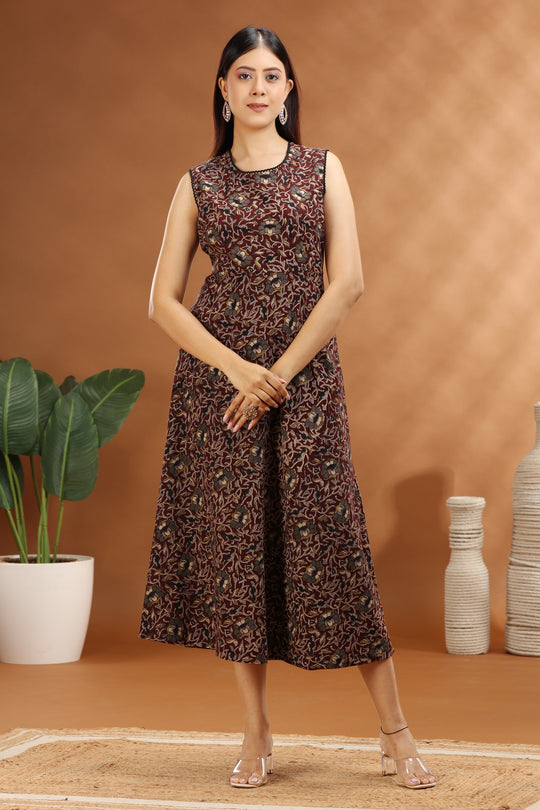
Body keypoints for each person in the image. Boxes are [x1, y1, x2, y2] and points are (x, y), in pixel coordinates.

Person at [139, 25, 436, 791]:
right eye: (244, 75)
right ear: (223, 89)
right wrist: (238, 370)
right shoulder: (198, 185)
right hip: (221, 391)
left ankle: (394, 727)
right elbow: (162, 302)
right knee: (240, 553)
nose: (259, 87)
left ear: (289, 90)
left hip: (303, 383)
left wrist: (277, 374)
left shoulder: (322, 168)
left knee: (334, 541)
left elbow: (349, 283)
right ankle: (256, 728)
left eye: (271, 75)